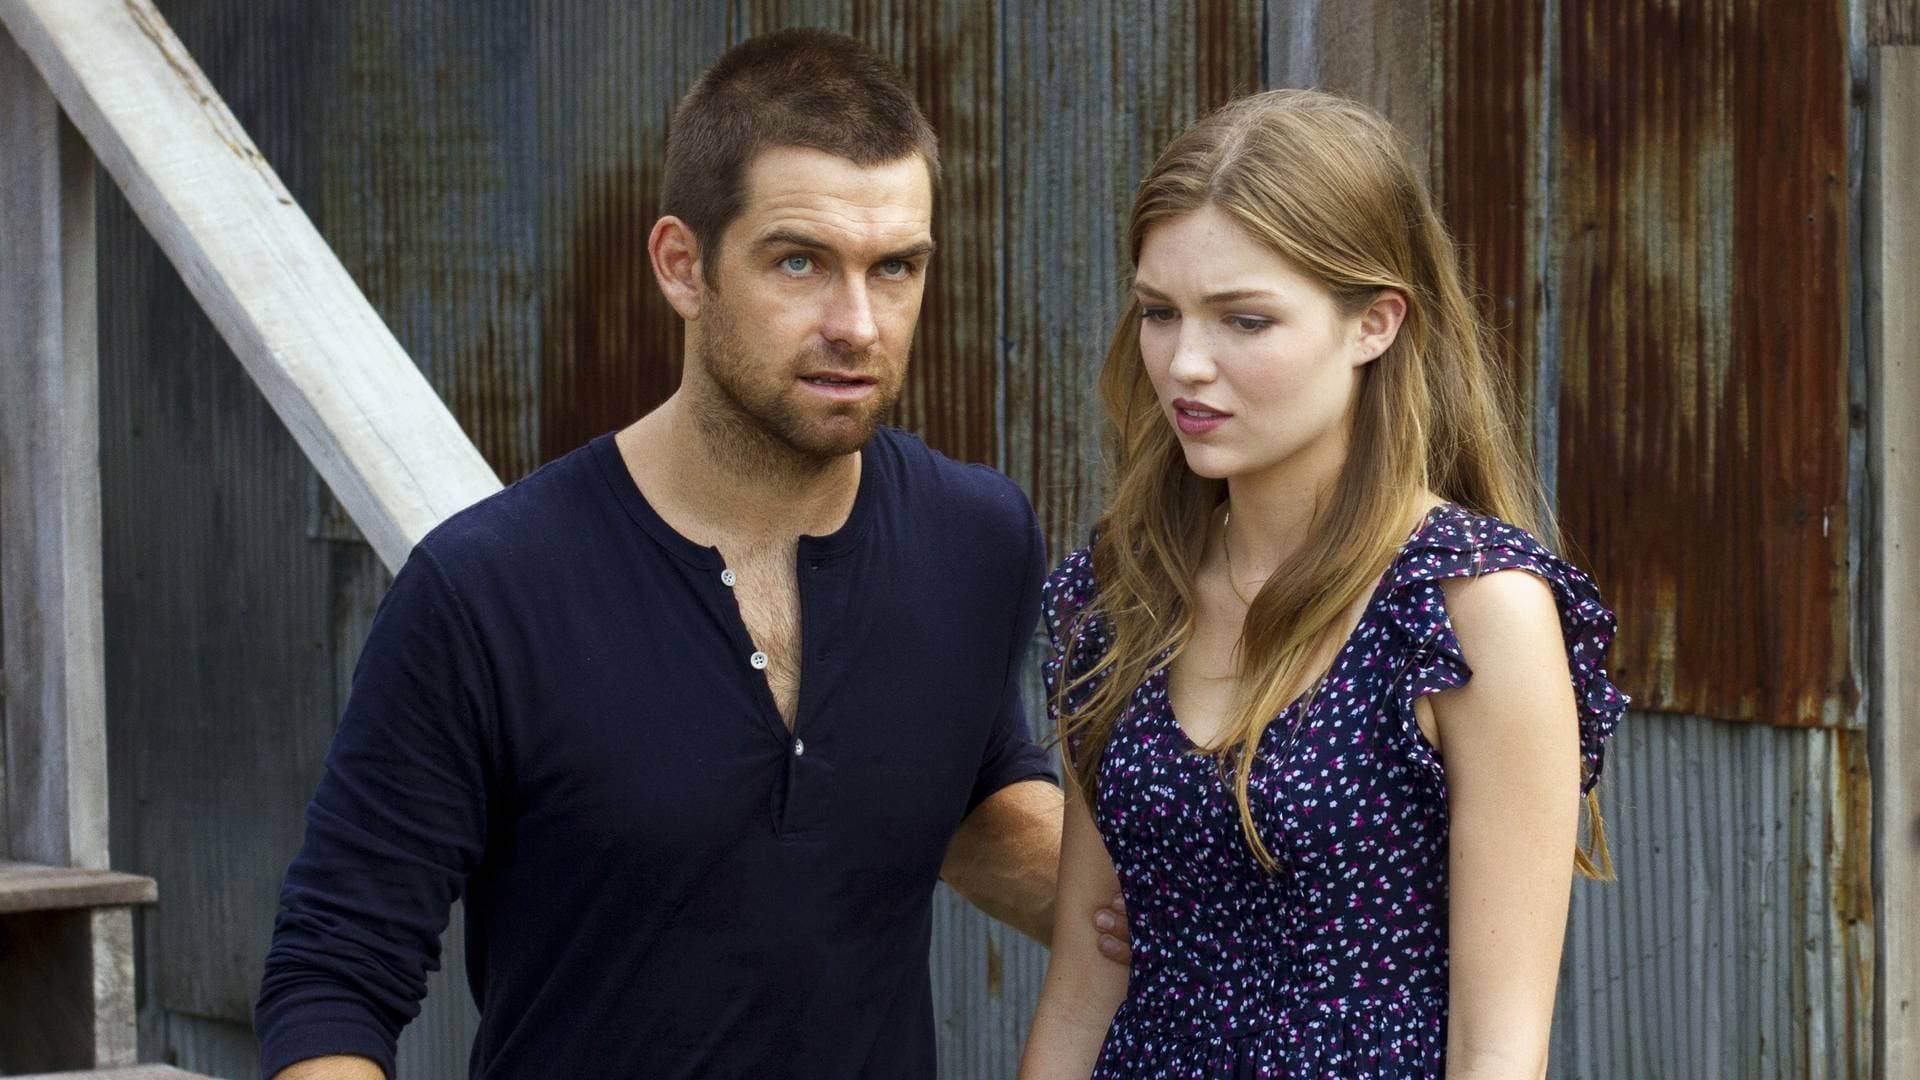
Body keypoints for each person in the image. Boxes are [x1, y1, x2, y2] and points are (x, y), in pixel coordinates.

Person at [257, 29, 1125, 1080]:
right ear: (683, 265)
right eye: (799, 262)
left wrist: (1213, 894)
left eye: (895, 267)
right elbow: (333, 978)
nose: (858, 324)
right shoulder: (487, 589)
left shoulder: (976, 540)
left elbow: (961, 799)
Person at [1019, 89, 1627, 1079]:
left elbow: (1497, 1049)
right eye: (1159, 313)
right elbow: (1085, 980)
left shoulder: (1468, 611)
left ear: (1374, 324)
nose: (1186, 364)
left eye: (1245, 319)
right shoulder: (1122, 594)